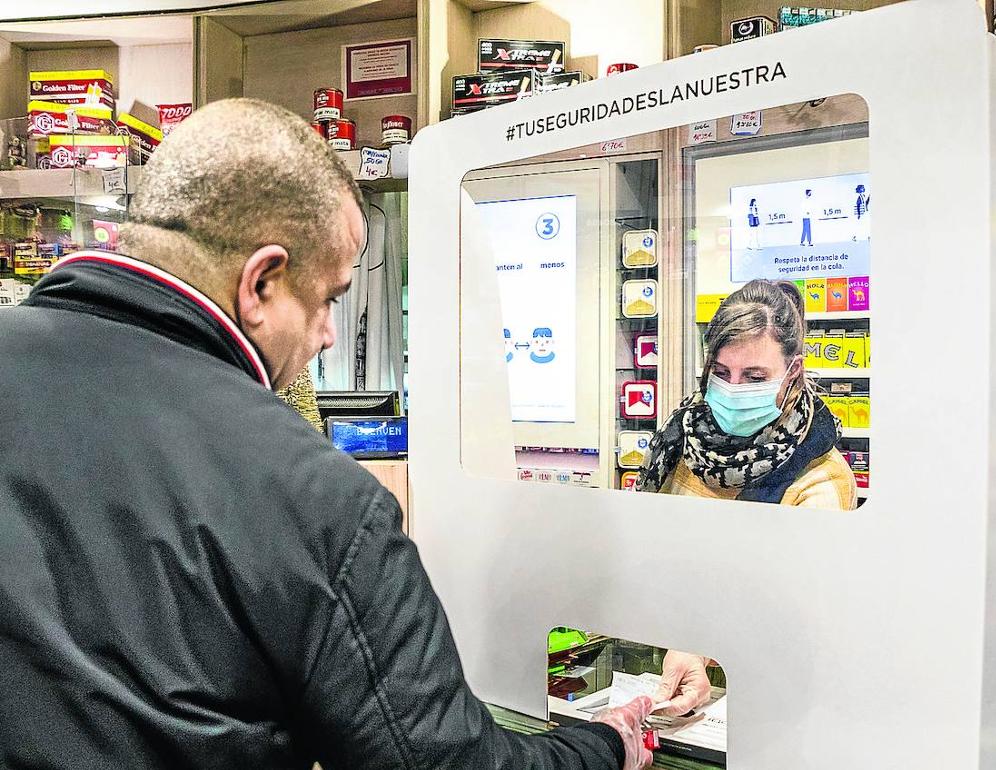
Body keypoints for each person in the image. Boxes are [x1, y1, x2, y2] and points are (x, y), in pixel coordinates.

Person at [0, 99, 652, 769]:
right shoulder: (313, 499)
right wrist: (603, 746)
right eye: (330, 298)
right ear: (261, 283)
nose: (330, 334)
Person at [637, 279, 858, 715]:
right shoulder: (680, 441)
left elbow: (790, 610)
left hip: (767, 700)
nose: (733, 389)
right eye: (721, 373)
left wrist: (699, 649)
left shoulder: (820, 480)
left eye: (755, 377)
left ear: (793, 372)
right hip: (655, 676)